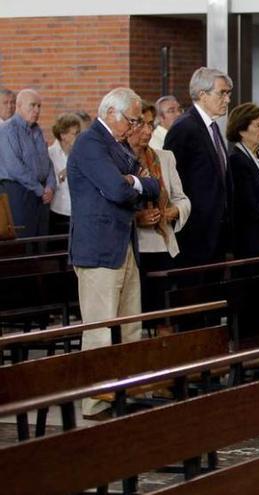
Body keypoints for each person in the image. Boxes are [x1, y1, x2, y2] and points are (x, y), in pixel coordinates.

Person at [67, 87, 160, 417]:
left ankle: (128, 391)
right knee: (100, 328)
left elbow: (154, 185)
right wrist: (135, 183)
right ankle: (94, 402)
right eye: (132, 120)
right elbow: (118, 190)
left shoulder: (118, 146)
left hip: (124, 245)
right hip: (98, 249)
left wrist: (134, 182)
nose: (136, 127)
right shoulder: (91, 144)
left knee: (131, 326)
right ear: (110, 113)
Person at [164, 67, 234, 267]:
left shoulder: (211, 127)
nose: (228, 100)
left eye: (229, 93)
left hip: (216, 231)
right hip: (195, 233)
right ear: (202, 95)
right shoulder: (184, 128)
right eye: (222, 93)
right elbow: (172, 181)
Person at [130, 100, 190, 313]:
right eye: (142, 125)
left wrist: (175, 211)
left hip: (163, 245)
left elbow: (183, 199)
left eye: (151, 125)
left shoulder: (164, 157)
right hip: (135, 247)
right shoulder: (121, 160)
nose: (147, 131)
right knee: (135, 315)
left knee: (165, 315)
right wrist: (138, 217)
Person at [0, 89, 55, 237]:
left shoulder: (37, 130)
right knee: (24, 241)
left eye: (39, 106)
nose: (37, 110)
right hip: (18, 192)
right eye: (32, 105)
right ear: (19, 106)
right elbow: (14, 167)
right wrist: (39, 189)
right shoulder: (6, 130)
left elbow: (47, 161)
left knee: (42, 240)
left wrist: (50, 186)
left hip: (41, 192)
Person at [227, 102, 259, 259]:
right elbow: (250, 207)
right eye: (258, 126)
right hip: (252, 241)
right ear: (241, 130)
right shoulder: (236, 161)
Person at [48, 113, 82, 234]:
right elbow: (50, 182)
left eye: (79, 133)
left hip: (78, 212)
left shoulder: (81, 154)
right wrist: (68, 170)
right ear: (63, 135)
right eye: (75, 133)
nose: (78, 137)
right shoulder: (50, 154)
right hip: (58, 211)